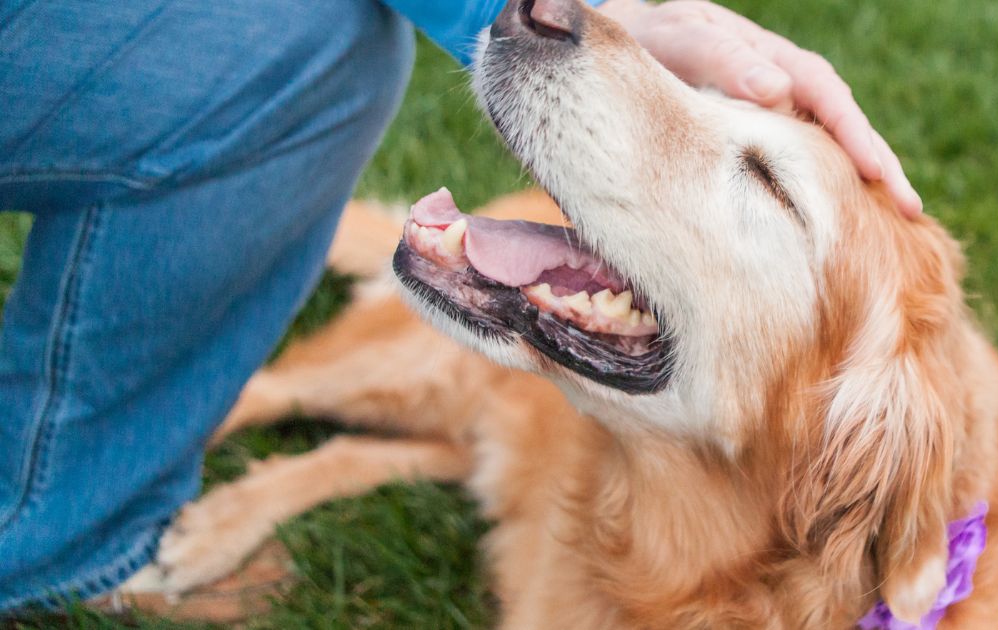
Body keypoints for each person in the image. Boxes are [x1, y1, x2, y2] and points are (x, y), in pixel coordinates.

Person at [0, 0, 921, 614]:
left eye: (763, 183)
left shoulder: (880, 450)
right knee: (328, 40)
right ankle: (119, 480)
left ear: (847, 444)